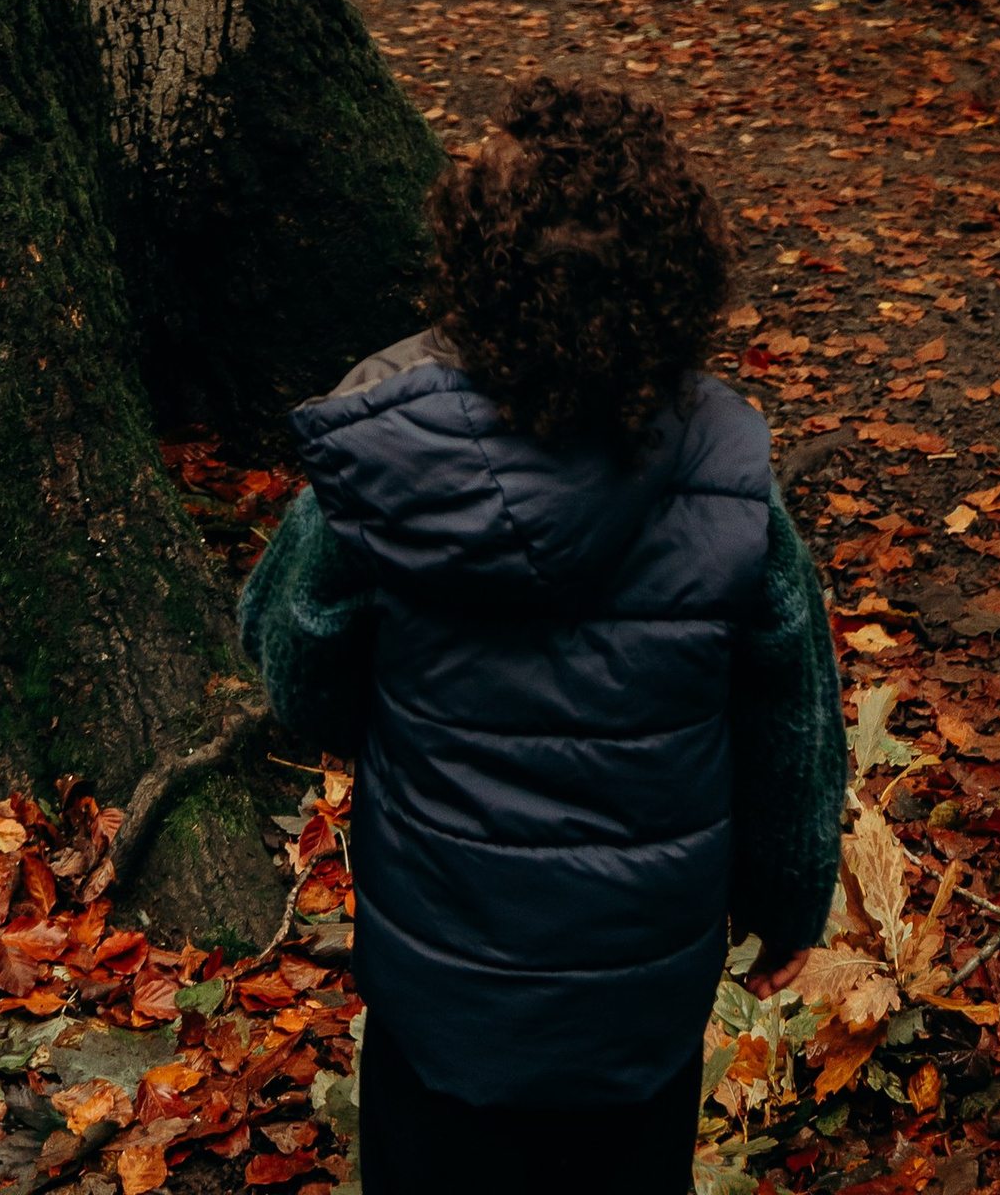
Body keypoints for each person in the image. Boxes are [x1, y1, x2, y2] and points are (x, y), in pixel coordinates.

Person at [237, 82, 845, 1195]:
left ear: (474, 264)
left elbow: (296, 661)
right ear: (677, 276)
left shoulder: (382, 460)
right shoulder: (730, 476)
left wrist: (375, 728)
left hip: (443, 982)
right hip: (638, 1001)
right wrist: (790, 896)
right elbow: (791, 726)